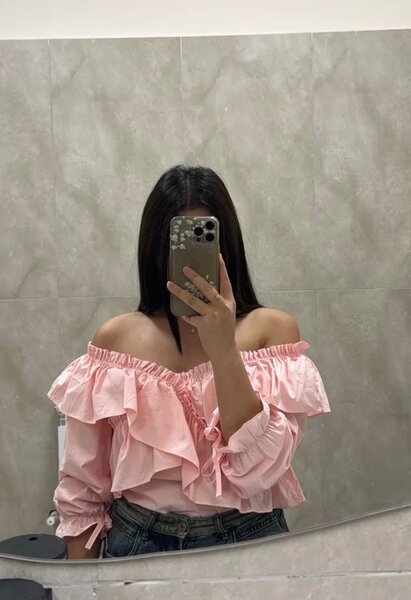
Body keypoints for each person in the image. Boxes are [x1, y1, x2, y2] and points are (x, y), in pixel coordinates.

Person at [47, 164, 330, 559]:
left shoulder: (272, 332)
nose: (188, 260)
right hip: (138, 542)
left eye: (204, 238)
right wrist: (81, 584)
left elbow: (259, 471)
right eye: (176, 241)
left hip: (249, 538)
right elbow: (82, 488)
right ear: (153, 249)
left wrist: (224, 348)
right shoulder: (116, 340)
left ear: (226, 245)